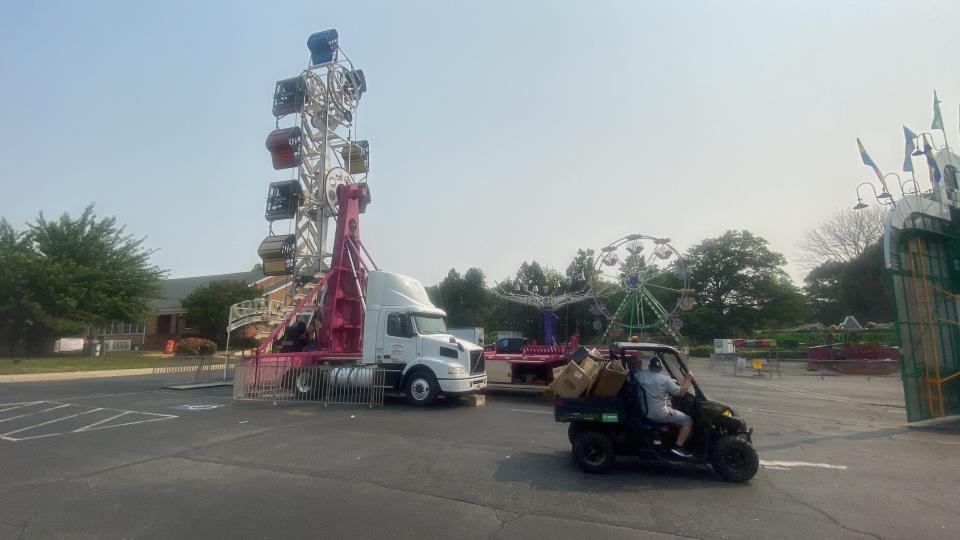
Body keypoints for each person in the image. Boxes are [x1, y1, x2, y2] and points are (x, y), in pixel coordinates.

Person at [634, 355, 696, 458]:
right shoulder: (665, 379)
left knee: (668, 407)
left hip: (644, 410)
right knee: (688, 420)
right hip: (658, 414)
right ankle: (678, 447)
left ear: (649, 366)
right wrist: (688, 379)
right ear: (661, 368)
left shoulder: (640, 375)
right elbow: (681, 393)